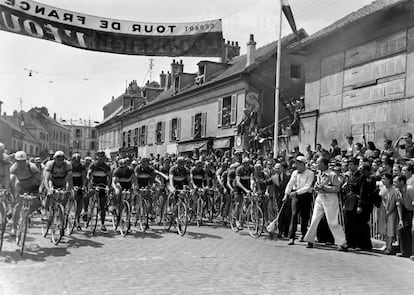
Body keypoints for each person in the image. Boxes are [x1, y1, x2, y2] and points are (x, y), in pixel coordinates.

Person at [304, 157, 347, 251]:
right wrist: (317, 187)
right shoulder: (319, 173)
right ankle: (310, 239)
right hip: (320, 197)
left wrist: (324, 187)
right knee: (314, 219)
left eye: (318, 163)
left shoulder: (332, 174)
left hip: (330, 198)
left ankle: (342, 243)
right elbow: (318, 184)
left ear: (324, 164)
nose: (317, 164)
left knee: (332, 221)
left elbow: (337, 188)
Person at [283, 156, 315, 245]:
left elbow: (307, 186)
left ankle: (304, 235)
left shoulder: (310, 173)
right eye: (296, 163)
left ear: (303, 164)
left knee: (305, 217)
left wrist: (296, 192)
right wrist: (286, 194)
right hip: (296, 196)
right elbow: (290, 183)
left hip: (305, 195)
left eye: (298, 163)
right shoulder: (295, 173)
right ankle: (291, 237)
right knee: (294, 215)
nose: (296, 165)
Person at [9, 151, 42, 235]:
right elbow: (10, 180)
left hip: (33, 185)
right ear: (15, 161)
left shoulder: (32, 167)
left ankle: (27, 214)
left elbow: (39, 180)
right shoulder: (14, 168)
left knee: (37, 203)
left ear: (26, 161)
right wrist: (12, 192)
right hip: (21, 185)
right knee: (17, 205)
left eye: (23, 161)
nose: (21, 163)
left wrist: (40, 192)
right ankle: (14, 228)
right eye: (18, 161)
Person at [87, 151, 111, 232]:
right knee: (88, 195)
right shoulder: (93, 165)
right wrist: (89, 179)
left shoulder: (107, 166)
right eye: (99, 157)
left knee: (102, 206)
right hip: (94, 185)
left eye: (102, 157)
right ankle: (87, 212)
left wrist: (108, 185)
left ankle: (103, 224)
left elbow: (110, 176)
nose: (100, 158)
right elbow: (89, 174)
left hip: (103, 186)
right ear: (97, 157)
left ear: (104, 158)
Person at [378, 173, 399, 254]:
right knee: (384, 228)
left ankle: (389, 247)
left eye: (384, 179)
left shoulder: (394, 190)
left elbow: (393, 203)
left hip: (391, 210)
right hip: (383, 209)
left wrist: (388, 211)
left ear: (389, 180)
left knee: (390, 228)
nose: (383, 181)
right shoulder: (383, 188)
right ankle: (386, 245)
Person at [395, 175, 414, 259]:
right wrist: (401, 219)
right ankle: (404, 251)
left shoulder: (410, 189)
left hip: (412, 210)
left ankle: (411, 252)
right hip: (405, 210)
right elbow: (399, 205)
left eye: (396, 182)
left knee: (411, 230)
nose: (394, 183)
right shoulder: (397, 191)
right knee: (401, 229)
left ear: (402, 182)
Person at [235, 157, 255, 229]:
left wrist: (253, 188)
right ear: (242, 165)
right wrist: (245, 190)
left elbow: (253, 179)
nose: (247, 166)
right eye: (245, 165)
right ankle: (237, 220)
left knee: (248, 201)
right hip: (239, 186)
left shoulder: (251, 168)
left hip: (247, 184)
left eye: (248, 164)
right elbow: (238, 182)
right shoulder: (239, 169)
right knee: (238, 203)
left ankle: (243, 218)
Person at [71, 153, 87, 230]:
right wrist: (71, 186)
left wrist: (83, 186)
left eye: (78, 161)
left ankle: (77, 219)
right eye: (75, 161)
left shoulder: (82, 166)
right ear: (72, 160)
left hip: (79, 184)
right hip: (70, 183)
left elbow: (84, 177)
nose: (76, 163)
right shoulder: (69, 166)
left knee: (79, 201)